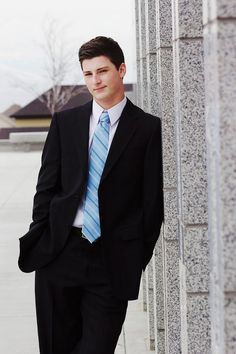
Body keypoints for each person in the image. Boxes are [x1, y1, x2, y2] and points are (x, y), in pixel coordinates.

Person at [18, 36, 163, 354]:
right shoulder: (65, 122)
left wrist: (134, 257)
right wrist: (43, 237)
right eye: (88, 74)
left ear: (121, 70)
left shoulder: (149, 129)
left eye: (102, 71)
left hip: (111, 260)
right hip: (60, 252)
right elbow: (46, 188)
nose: (95, 81)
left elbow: (153, 205)